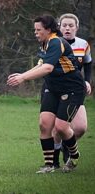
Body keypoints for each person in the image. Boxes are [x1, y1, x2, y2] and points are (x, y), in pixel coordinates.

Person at [7, 14, 86, 173]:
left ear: (48, 30)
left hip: (72, 88)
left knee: (62, 127)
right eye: (34, 30)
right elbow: (41, 65)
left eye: (38, 30)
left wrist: (23, 78)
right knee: (44, 124)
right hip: (53, 88)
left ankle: (74, 154)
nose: (35, 33)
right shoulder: (45, 43)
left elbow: (48, 68)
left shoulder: (56, 42)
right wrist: (22, 74)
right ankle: (49, 165)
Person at [51, 13, 92, 168]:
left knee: (80, 127)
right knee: (57, 128)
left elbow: (88, 64)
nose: (67, 28)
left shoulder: (83, 44)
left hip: (75, 90)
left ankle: (66, 146)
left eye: (71, 26)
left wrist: (87, 81)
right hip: (56, 91)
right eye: (64, 25)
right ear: (59, 27)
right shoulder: (53, 43)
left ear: (77, 27)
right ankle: (54, 163)